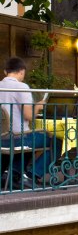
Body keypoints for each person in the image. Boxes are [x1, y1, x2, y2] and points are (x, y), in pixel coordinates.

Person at [0, 57, 61, 188]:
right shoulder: (21, 87)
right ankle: (31, 175)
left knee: (34, 138)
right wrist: (38, 106)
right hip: (18, 138)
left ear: (6, 72)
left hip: (2, 138)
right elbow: (28, 116)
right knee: (56, 141)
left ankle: (13, 174)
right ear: (21, 71)